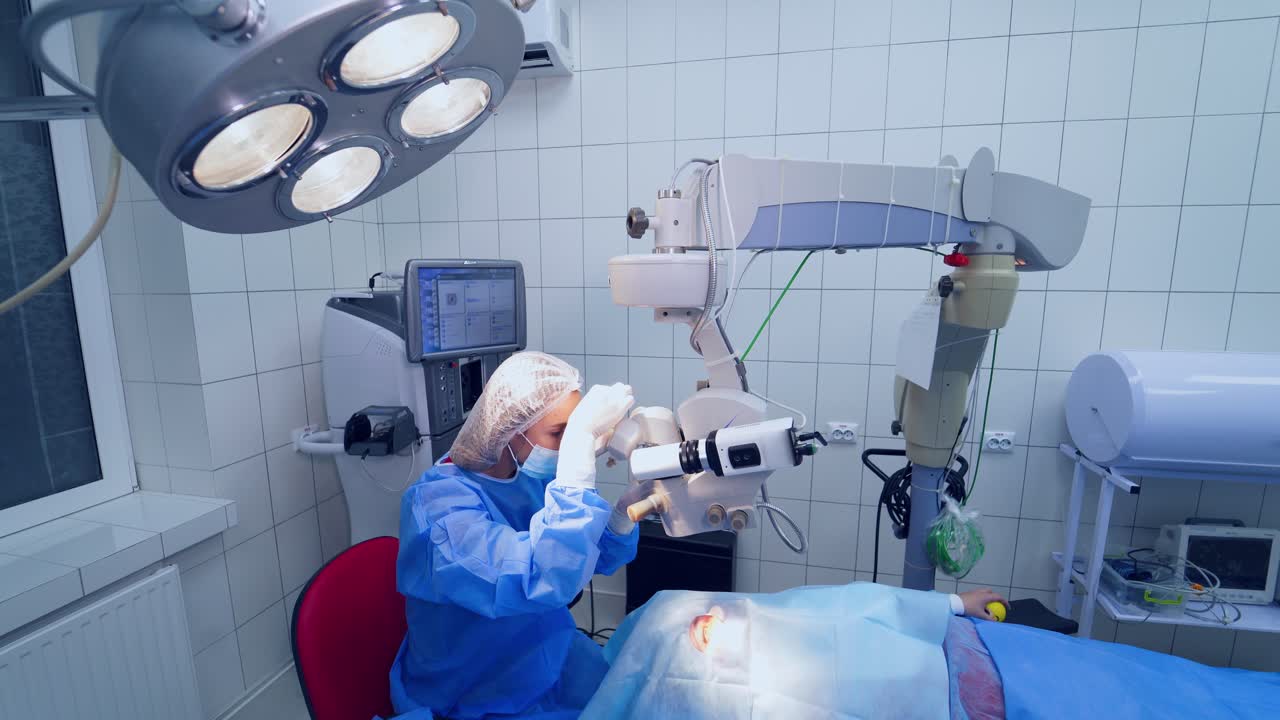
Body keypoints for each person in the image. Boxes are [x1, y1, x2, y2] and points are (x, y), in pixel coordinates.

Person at [390, 352, 640, 720]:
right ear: (509, 430)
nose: (567, 444)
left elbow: (578, 557)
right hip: (475, 692)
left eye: (574, 431)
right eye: (560, 433)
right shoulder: (438, 516)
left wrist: (620, 518)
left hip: (548, 656)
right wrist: (576, 472)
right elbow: (540, 576)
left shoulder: (528, 476)